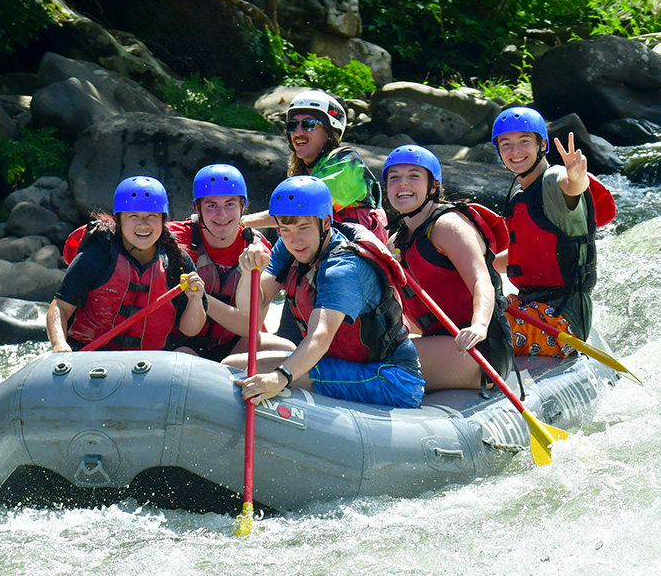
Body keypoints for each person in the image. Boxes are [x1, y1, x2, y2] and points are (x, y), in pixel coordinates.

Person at [225, 175, 424, 409]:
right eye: (285, 229)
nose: (294, 239)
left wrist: (279, 378)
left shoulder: (343, 270)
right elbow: (249, 309)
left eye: (303, 228)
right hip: (339, 363)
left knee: (245, 372)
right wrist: (249, 273)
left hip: (391, 380)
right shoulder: (290, 246)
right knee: (232, 365)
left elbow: (319, 337)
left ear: (326, 223)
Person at [385, 145, 513, 390]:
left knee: (382, 360)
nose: (403, 184)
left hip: (477, 348)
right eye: (394, 178)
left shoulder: (447, 227)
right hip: (439, 342)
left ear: (433, 186)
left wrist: (479, 326)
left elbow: (480, 281)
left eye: (414, 176)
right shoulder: (396, 242)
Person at [491, 106, 616, 356]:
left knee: (487, 334)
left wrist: (577, 176)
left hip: (563, 318)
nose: (514, 151)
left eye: (524, 141)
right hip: (529, 304)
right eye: (506, 144)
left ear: (542, 145)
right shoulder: (519, 193)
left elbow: (570, 186)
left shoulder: (554, 178)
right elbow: (522, 257)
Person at [46, 175, 206, 353]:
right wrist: (59, 344)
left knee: (187, 353)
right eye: (133, 216)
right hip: (90, 357)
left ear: (163, 220)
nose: (143, 224)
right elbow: (60, 307)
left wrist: (195, 300)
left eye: (152, 216)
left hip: (148, 361)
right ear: (119, 220)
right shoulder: (95, 256)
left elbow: (190, 330)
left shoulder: (178, 261)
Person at [166, 163, 296, 361]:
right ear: (197, 208)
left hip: (231, 345)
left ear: (243, 206)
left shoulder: (258, 248)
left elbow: (249, 326)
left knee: (289, 350)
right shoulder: (172, 239)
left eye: (230, 204)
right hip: (177, 342)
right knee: (184, 358)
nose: (222, 215)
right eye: (211, 206)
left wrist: (202, 297)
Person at [241, 89, 388, 242]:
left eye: (308, 124)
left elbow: (301, 208)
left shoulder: (348, 163)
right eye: (292, 125)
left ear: (330, 132)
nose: (298, 132)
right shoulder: (303, 173)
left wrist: (242, 222)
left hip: (354, 257)